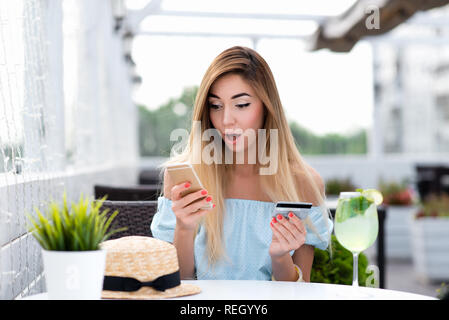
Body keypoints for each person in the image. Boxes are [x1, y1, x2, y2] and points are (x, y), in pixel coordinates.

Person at [151, 46, 333, 282]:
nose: (226, 120)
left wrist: (280, 258)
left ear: (267, 107)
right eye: (216, 106)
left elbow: (299, 292)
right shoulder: (186, 176)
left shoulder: (301, 182)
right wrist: (184, 229)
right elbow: (175, 285)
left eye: (242, 105)